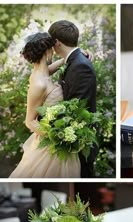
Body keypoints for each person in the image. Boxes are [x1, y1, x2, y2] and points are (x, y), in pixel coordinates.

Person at [9, 32, 81, 178]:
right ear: (47, 51)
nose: (53, 52)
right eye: (51, 49)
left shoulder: (42, 73)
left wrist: (71, 56)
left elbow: (49, 70)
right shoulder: (39, 84)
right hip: (51, 144)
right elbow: (29, 121)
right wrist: (58, 137)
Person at [48, 20, 97, 178]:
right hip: (70, 140)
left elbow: (77, 109)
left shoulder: (80, 66)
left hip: (80, 143)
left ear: (57, 42)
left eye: (50, 42)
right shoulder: (72, 61)